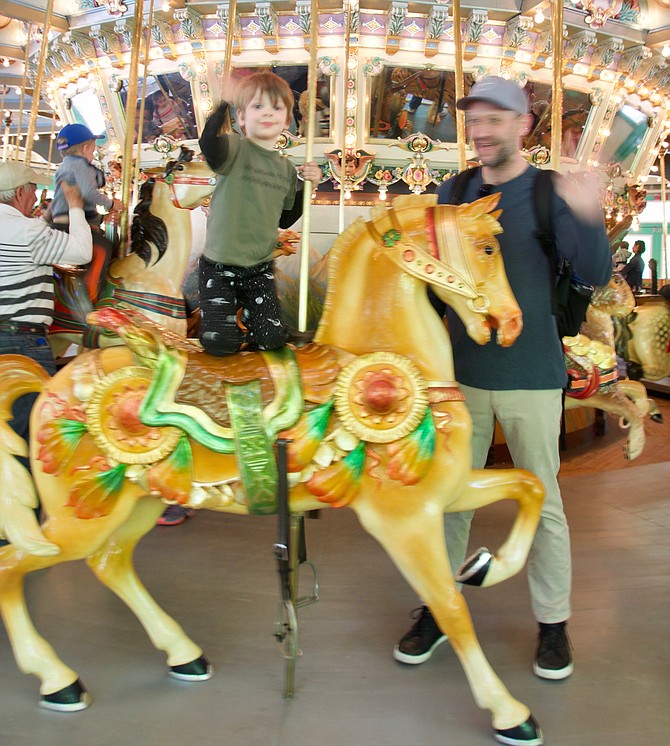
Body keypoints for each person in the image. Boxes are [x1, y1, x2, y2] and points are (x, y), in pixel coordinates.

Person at [393, 76, 612, 680]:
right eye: (475, 120)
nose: (482, 130)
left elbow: (591, 272)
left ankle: (553, 624)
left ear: (522, 125)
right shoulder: (454, 190)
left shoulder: (547, 195)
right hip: (458, 374)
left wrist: (589, 214)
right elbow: (427, 278)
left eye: (496, 119)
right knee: (449, 499)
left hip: (532, 373)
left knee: (541, 500)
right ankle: (439, 608)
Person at [197, 71, 321, 356]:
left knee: (271, 339)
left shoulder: (286, 169)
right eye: (258, 106)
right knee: (220, 342)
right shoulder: (234, 149)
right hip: (220, 265)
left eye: (276, 108)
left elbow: (284, 219)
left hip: (259, 267)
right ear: (241, 117)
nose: (268, 113)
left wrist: (308, 186)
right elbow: (208, 145)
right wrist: (222, 104)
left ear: (287, 120)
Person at [0, 161, 93, 543]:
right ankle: (16, 531)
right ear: (20, 193)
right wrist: (74, 206)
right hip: (21, 342)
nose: (38, 197)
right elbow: (82, 252)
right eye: (33, 191)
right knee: (28, 433)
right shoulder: (28, 230)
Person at [50, 123, 123, 229]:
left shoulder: (62, 167)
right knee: (106, 244)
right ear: (85, 148)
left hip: (59, 221)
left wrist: (101, 218)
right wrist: (111, 204)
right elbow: (89, 193)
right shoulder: (82, 165)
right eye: (93, 151)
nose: (93, 156)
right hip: (72, 223)